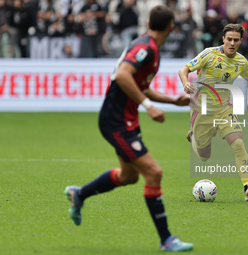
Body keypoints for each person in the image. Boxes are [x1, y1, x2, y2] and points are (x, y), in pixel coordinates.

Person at [64, 5, 193, 252]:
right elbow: (122, 76)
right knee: (154, 172)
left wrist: (172, 101)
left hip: (126, 120)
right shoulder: (146, 48)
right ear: (171, 28)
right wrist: (148, 106)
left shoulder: (144, 45)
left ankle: (79, 194)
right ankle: (167, 239)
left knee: (129, 176)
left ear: (148, 23)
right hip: (116, 121)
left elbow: (139, 85)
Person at [179, 23, 248, 202]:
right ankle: (193, 136)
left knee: (238, 144)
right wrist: (185, 82)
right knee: (204, 157)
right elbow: (185, 69)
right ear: (223, 39)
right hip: (202, 110)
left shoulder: (241, 61)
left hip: (224, 109)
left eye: (236, 40)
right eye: (229, 39)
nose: (232, 43)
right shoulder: (209, 54)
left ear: (241, 41)